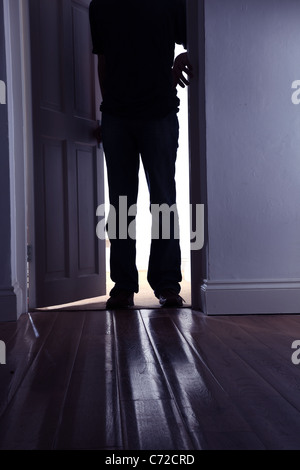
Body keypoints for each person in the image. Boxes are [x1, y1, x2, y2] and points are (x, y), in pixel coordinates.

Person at [89, 0, 193, 309]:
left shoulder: (172, 3)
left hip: (159, 113)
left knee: (163, 200)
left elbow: (200, 36)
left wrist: (181, 62)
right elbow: (103, 61)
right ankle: (122, 286)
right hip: (118, 117)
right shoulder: (101, 6)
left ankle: (167, 285)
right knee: (121, 205)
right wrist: (107, 113)